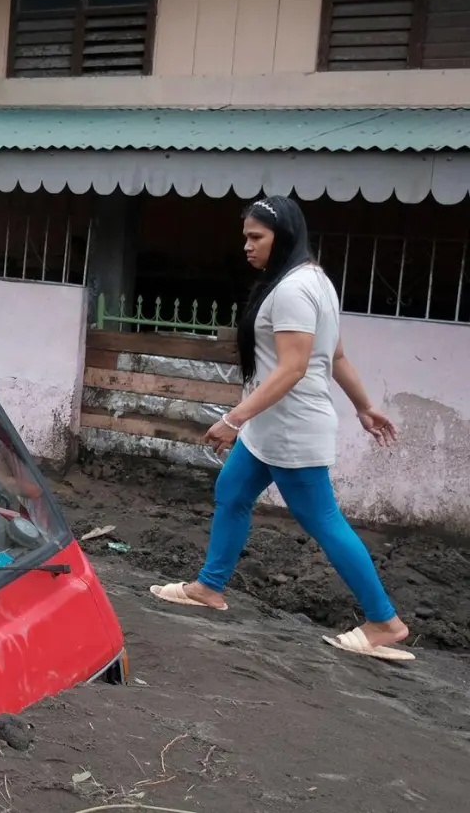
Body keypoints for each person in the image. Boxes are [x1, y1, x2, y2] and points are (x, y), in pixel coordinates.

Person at [148, 196, 408, 660]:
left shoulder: (292, 290)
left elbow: (292, 369)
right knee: (232, 491)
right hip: (270, 429)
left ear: (282, 236)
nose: (246, 246)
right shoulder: (314, 281)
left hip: (291, 429)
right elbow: (338, 356)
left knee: (323, 521)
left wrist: (233, 418)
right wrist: (364, 406)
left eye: (256, 237)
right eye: (245, 236)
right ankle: (208, 587)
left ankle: (384, 622)